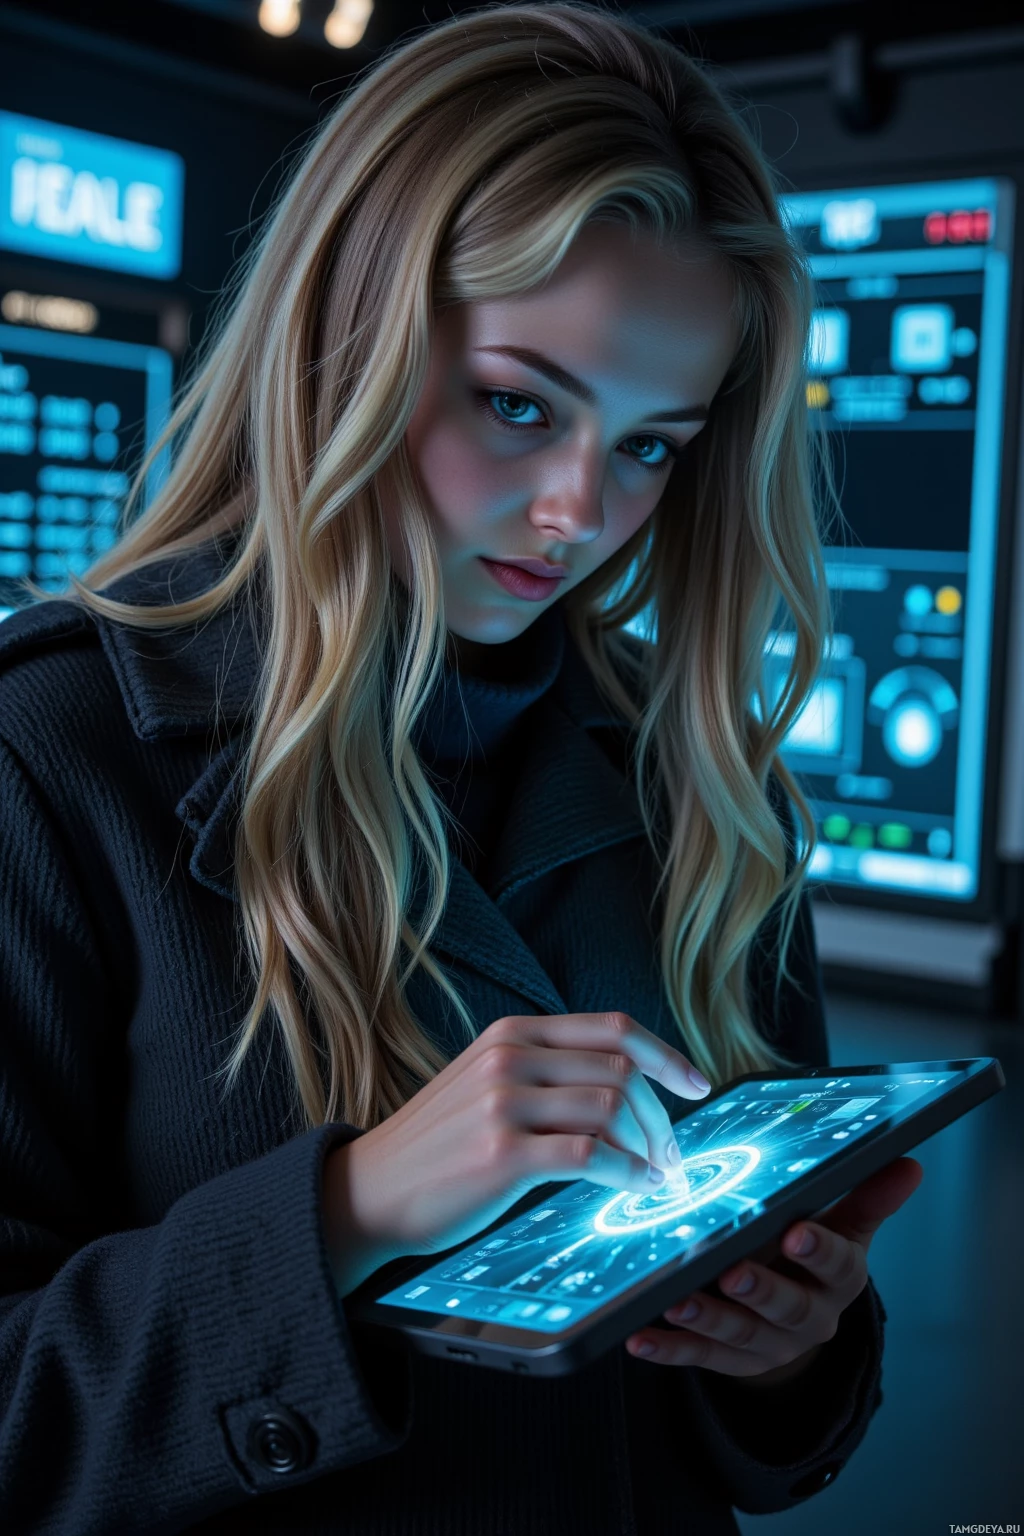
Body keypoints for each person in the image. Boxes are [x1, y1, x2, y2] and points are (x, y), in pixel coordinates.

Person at [0, 3, 923, 1532]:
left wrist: (790, 1353)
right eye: (517, 403)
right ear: (341, 342)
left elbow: (766, 1434)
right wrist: (350, 1211)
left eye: (652, 446)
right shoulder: (51, 749)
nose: (578, 512)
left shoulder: (707, 791)